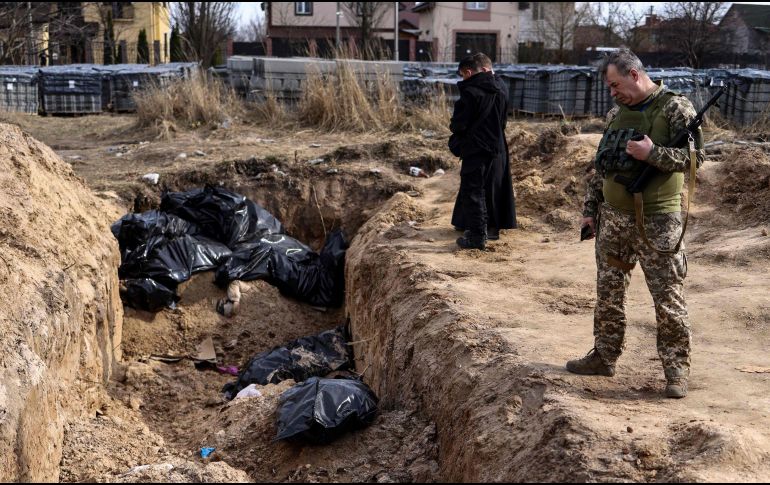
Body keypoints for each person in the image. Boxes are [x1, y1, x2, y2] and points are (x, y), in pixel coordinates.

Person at [566, 48, 705, 399]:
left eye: (615, 84)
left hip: (658, 221)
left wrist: (652, 154)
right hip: (613, 220)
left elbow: (696, 159)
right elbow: (602, 166)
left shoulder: (676, 108)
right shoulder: (617, 113)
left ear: (634, 74)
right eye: (609, 87)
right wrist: (590, 209)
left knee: (667, 296)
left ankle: (676, 370)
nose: (612, 93)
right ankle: (604, 356)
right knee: (609, 292)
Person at [448, 53, 516, 250]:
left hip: (476, 147)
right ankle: (491, 228)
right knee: (495, 186)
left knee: (473, 190)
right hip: (498, 145)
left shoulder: (471, 91)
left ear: (469, 72)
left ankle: (477, 235)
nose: (463, 79)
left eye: (463, 75)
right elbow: (503, 119)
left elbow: (459, 124)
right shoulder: (501, 87)